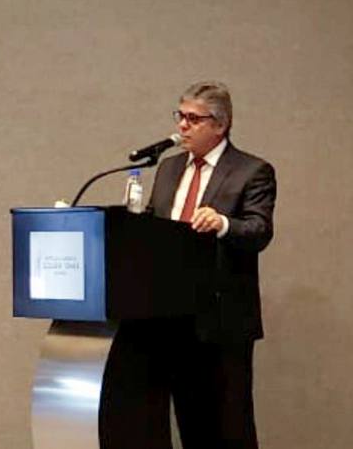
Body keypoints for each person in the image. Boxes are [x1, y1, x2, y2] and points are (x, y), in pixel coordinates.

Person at [101, 81, 276, 449]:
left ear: (220, 124)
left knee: (229, 429)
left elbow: (259, 231)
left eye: (194, 119)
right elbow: (156, 233)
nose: (182, 125)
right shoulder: (168, 168)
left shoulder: (252, 171)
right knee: (188, 424)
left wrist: (223, 223)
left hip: (221, 322)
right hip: (170, 318)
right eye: (180, 116)